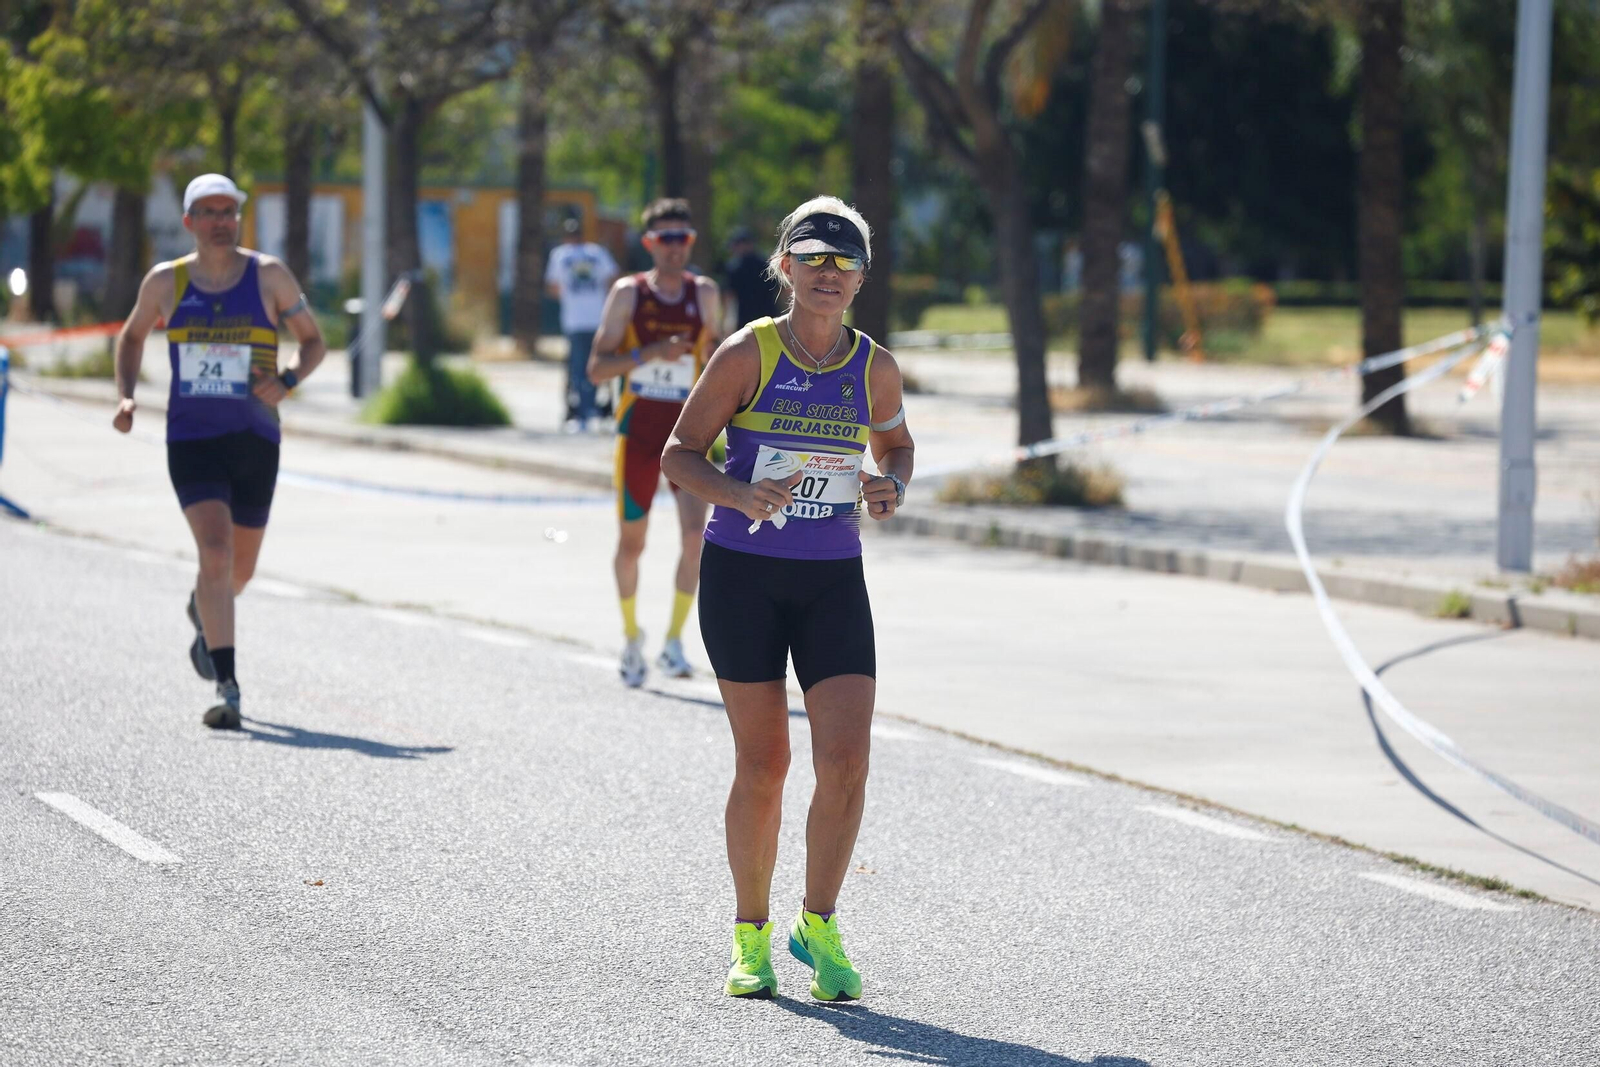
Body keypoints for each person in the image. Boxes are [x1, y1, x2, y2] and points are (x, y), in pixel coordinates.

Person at [661, 195, 913, 1001]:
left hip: (833, 578)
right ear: (785, 267)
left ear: (863, 275)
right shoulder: (746, 353)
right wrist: (739, 496)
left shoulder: (873, 366)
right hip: (743, 576)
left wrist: (889, 485)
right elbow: (680, 454)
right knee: (765, 762)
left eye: (844, 262)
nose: (828, 274)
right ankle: (750, 933)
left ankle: (820, 923)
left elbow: (898, 445)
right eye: (812, 258)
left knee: (846, 758)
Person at [112, 173, 326, 729]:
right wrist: (127, 397)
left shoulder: (269, 276)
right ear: (189, 222)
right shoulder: (166, 283)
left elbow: (314, 341)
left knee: (240, 571)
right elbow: (132, 337)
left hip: (256, 439)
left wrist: (289, 381)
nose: (220, 221)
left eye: (228, 211)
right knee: (215, 551)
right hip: (192, 439)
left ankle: (204, 606)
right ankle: (228, 688)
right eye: (207, 212)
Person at [587, 199, 721, 687]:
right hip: (639, 434)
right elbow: (596, 368)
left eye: (682, 238)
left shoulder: (704, 294)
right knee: (632, 543)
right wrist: (649, 353)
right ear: (649, 244)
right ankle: (629, 639)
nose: (674, 248)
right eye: (665, 239)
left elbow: (721, 364)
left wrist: (705, 356)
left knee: (694, 539)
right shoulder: (628, 294)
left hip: (689, 437)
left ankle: (673, 642)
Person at [544, 216, 618, 431]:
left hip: (574, 320)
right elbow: (613, 278)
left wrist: (571, 296)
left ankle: (583, 414)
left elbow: (552, 287)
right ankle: (598, 411)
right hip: (598, 318)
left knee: (578, 369)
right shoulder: (596, 252)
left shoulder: (560, 254)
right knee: (600, 367)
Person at [723, 226, 780, 329]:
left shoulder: (735, 267)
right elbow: (781, 291)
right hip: (770, 321)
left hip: (745, 324)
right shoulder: (768, 264)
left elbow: (729, 297)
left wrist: (727, 324)